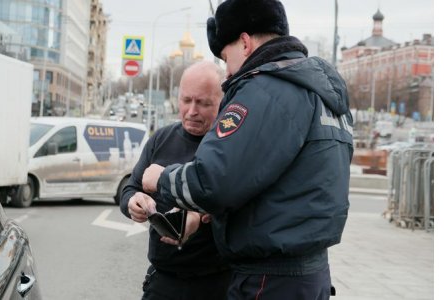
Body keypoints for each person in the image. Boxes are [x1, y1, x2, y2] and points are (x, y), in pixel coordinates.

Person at [141, 0, 354, 299]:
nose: (227, 73)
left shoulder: (266, 89)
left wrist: (160, 180)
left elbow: (213, 180)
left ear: (244, 42)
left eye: (226, 58)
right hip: (310, 272)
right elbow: (284, 183)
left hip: (270, 281)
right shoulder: (321, 93)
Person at [120, 61, 230, 300]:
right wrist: (133, 202)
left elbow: (238, 204)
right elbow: (131, 187)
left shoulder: (228, 145)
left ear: (223, 103)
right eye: (186, 100)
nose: (192, 111)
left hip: (217, 284)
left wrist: (199, 217)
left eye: (203, 103)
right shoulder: (161, 138)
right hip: (163, 281)